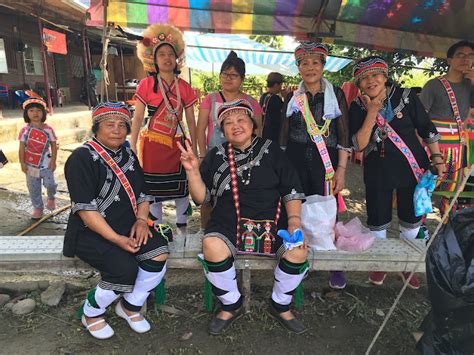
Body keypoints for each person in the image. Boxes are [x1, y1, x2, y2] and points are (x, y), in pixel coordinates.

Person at [178, 99, 308, 335]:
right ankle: (231, 303)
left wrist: (294, 221)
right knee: (212, 245)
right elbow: (201, 198)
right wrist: (192, 172)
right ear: (222, 129)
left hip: (273, 221)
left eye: (241, 120)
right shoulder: (216, 155)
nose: (235, 126)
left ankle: (280, 303)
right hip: (228, 221)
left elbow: (291, 189)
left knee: (298, 250)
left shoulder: (273, 151)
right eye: (228, 123)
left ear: (252, 123)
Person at [63, 102, 171, 339]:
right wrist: (117, 239)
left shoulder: (128, 154)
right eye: (109, 124)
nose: (117, 130)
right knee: (124, 269)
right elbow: (85, 210)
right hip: (89, 231)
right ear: (96, 128)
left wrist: (142, 220)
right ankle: (91, 312)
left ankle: (129, 307)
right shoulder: (81, 158)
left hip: (128, 225)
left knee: (159, 251)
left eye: (122, 125)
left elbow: (143, 193)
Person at [349, 56, 445, 289]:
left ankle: (406, 264)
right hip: (377, 171)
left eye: (375, 75)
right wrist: (372, 112)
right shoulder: (358, 106)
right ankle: (380, 263)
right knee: (377, 217)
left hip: (411, 169)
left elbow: (426, 128)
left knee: (411, 219)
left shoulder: (406, 97)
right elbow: (358, 144)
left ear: (385, 75)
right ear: (359, 84)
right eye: (364, 78)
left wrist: (437, 157)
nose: (370, 81)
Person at [281, 42, 350, 290]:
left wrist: (341, 170)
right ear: (298, 67)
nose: (310, 67)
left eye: (315, 62)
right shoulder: (292, 97)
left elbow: (344, 135)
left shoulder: (336, 95)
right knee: (299, 211)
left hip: (327, 161)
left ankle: (335, 265)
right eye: (304, 63)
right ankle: (302, 260)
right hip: (296, 160)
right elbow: (283, 136)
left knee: (328, 211)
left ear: (323, 65)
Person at [130, 23, 197, 230]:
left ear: (176, 58)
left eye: (171, 54)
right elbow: (139, 116)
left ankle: (182, 224)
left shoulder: (185, 87)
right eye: (162, 55)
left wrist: (194, 146)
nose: (167, 58)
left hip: (178, 143)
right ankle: (157, 227)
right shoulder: (146, 85)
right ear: (154, 59)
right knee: (153, 188)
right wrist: (132, 145)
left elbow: (191, 120)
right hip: (152, 144)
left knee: (182, 185)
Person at [196, 51, 263, 228]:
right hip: (212, 156)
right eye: (225, 74)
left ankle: (239, 229)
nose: (228, 78)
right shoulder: (210, 99)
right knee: (207, 196)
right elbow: (200, 128)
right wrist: (202, 155)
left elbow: (259, 132)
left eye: (234, 75)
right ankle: (206, 229)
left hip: (243, 159)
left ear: (242, 78)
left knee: (238, 195)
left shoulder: (251, 102)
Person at [420, 40, 474, 211]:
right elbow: (420, 118)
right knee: (425, 187)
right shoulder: (434, 85)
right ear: (449, 60)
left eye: (470, 56)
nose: (466, 59)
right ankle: (418, 230)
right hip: (434, 147)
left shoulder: (470, 86)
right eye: (460, 55)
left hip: (458, 148)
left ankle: (446, 229)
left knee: (452, 193)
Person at [18, 97, 57, 219]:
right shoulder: (24, 131)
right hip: (30, 165)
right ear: (26, 114)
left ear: (43, 113)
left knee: (50, 184)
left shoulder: (48, 130)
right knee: (33, 188)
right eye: (31, 111)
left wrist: (53, 162)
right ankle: (38, 208)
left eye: (38, 110)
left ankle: (51, 197)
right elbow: (21, 148)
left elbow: (54, 146)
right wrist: (22, 163)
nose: (35, 113)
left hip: (46, 164)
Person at [260, 72, 284, 141]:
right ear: (276, 85)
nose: (281, 87)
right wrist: (286, 98)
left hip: (264, 132)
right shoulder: (275, 98)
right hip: (273, 134)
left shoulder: (263, 96)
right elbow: (285, 114)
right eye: (281, 85)